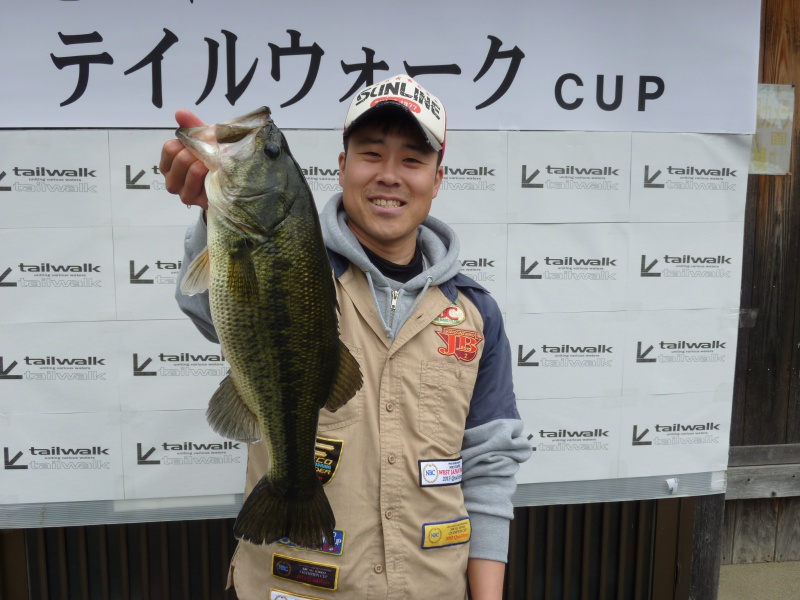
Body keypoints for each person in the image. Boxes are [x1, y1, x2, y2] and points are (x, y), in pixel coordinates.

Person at [160, 75, 531, 600]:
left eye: (411, 160)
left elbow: (489, 465)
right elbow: (206, 306)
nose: (389, 175)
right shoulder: (295, 271)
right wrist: (209, 209)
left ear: (437, 179)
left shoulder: (476, 313)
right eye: (371, 153)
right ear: (341, 167)